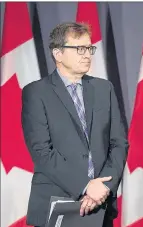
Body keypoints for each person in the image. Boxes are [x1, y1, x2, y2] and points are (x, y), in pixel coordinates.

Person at [21, 22, 128, 227]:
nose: (87, 54)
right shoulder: (36, 93)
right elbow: (42, 151)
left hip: (100, 203)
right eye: (79, 49)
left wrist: (103, 187)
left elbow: (118, 143)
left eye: (89, 48)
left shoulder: (104, 88)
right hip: (56, 203)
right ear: (58, 54)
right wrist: (86, 186)